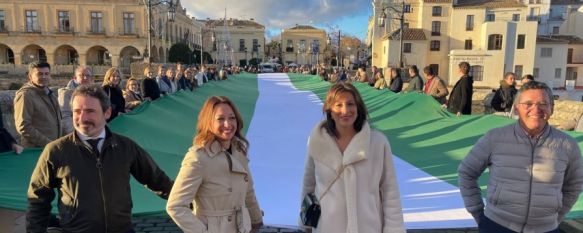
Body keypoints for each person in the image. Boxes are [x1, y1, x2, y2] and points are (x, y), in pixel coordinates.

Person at [26, 84, 173, 233]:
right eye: (77, 111)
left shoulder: (125, 147)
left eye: (90, 111)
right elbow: (38, 198)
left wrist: (191, 200)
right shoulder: (56, 150)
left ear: (107, 113)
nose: (82, 118)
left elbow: (158, 180)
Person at [458, 81, 583, 233]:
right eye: (528, 103)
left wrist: (555, 218)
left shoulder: (567, 145)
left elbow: (574, 185)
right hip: (497, 225)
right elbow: (467, 172)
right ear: (516, 108)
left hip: (546, 229)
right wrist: (477, 212)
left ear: (552, 108)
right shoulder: (495, 138)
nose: (536, 109)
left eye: (543, 103)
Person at [301, 83, 405, 233]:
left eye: (350, 104)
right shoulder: (317, 141)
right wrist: (307, 222)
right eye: (338, 105)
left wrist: (393, 229)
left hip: (368, 227)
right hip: (327, 227)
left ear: (358, 107)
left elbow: (390, 191)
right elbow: (308, 184)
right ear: (329, 109)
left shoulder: (377, 143)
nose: (345, 110)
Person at [166, 96, 263, 233]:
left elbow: (248, 190)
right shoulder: (198, 157)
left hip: (242, 227)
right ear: (208, 122)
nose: (228, 124)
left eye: (232, 118)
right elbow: (175, 206)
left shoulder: (238, 149)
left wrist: (256, 219)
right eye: (220, 119)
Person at [14, 62, 63, 148]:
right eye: (39, 74)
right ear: (30, 76)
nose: (44, 77)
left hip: (52, 147)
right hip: (36, 149)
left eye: (46, 74)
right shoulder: (25, 95)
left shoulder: (50, 94)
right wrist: (48, 143)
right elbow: (23, 126)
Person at [58, 66, 94, 134]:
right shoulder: (66, 93)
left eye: (88, 76)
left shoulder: (92, 92)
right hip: (75, 134)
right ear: (75, 78)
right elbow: (64, 117)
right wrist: (76, 134)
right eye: (82, 75)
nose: (85, 78)